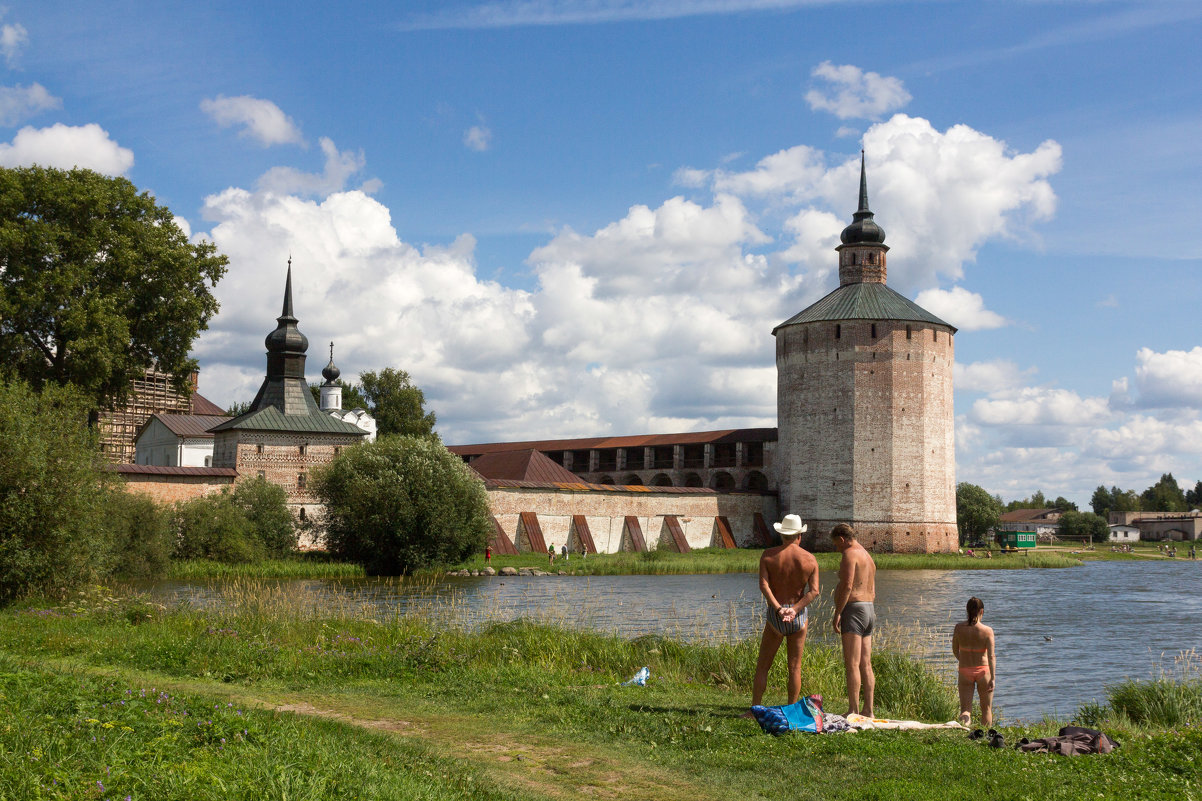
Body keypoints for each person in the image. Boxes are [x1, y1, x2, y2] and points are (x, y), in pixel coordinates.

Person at [744, 514, 819, 714]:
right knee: (795, 667)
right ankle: (792, 711)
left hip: (775, 614)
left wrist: (778, 608)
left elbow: (764, 585)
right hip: (798, 615)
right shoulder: (810, 559)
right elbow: (814, 591)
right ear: (799, 536)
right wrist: (794, 610)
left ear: (782, 534)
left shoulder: (768, 555)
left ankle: (755, 710)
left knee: (763, 666)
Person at [831, 523, 876, 718]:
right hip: (869, 609)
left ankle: (853, 710)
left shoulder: (849, 554)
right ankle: (869, 710)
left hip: (854, 609)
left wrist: (838, 612)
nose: (837, 548)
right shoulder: (867, 556)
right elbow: (872, 587)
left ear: (842, 539)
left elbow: (848, 585)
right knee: (866, 664)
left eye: (836, 544)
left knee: (852, 663)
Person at [952, 596, 996, 727]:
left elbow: (955, 650)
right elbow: (991, 656)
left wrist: (963, 660)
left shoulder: (959, 628)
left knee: (965, 709)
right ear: (981, 611)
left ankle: (964, 730)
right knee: (986, 709)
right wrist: (993, 678)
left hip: (965, 671)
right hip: (984, 671)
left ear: (967, 610)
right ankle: (986, 736)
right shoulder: (987, 631)